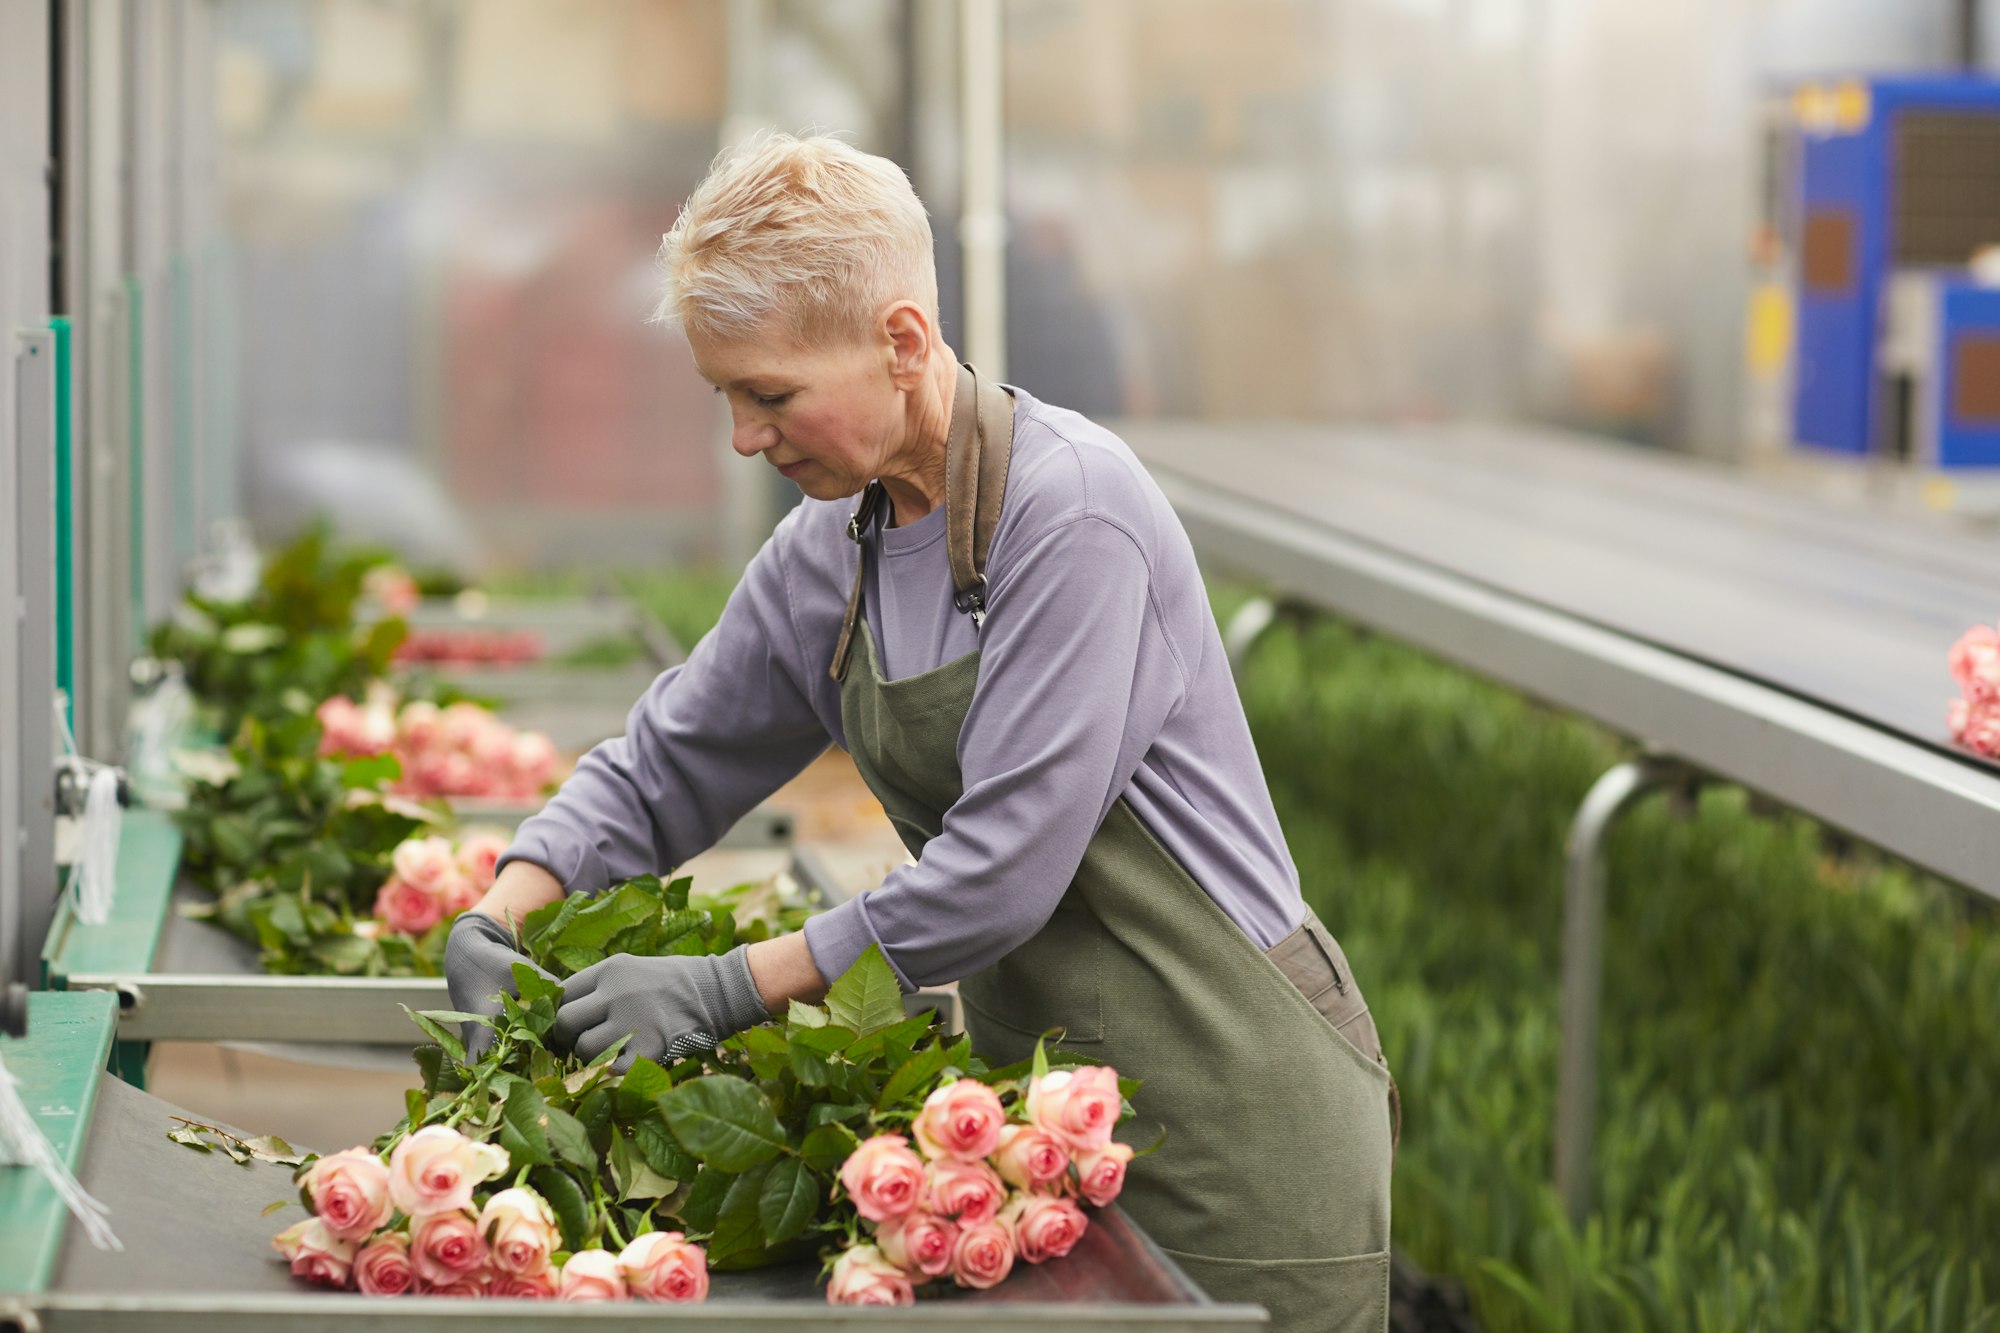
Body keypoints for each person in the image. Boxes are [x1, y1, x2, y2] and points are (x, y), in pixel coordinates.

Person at [444, 132, 1393, 1331]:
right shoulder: (829, 550)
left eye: (769, 393)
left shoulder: (1072, 516)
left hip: (1227, 1118)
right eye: (724, 394)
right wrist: (506, 904)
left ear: (899, 342)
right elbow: (668, 760)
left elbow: (1001, 868)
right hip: (1037, 1120)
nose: (743, 435)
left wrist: (728, 986)